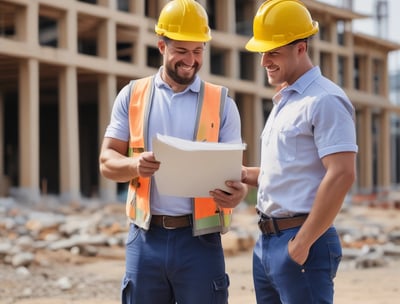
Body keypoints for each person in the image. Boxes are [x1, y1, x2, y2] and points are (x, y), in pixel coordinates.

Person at [99, 0, 247, 303]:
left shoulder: (222, 104)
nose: (190, 60)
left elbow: (236, 176)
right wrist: (134, 165)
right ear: (161, 46)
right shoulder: (132, 96)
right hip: (145, 238)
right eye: (181, 51)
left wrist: (238, 193)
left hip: (200, 242)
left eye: (197, 51)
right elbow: (106, 162)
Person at [240, 0, 358, 303]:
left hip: (301, 242)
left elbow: (342, 173)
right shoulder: (285, 101)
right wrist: (243, 174)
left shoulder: (325, 100)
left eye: (273, 52)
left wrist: (301, 244)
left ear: (301, 48)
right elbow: (289, 173)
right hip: (268, 242)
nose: (264, 60)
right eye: (262, 52)